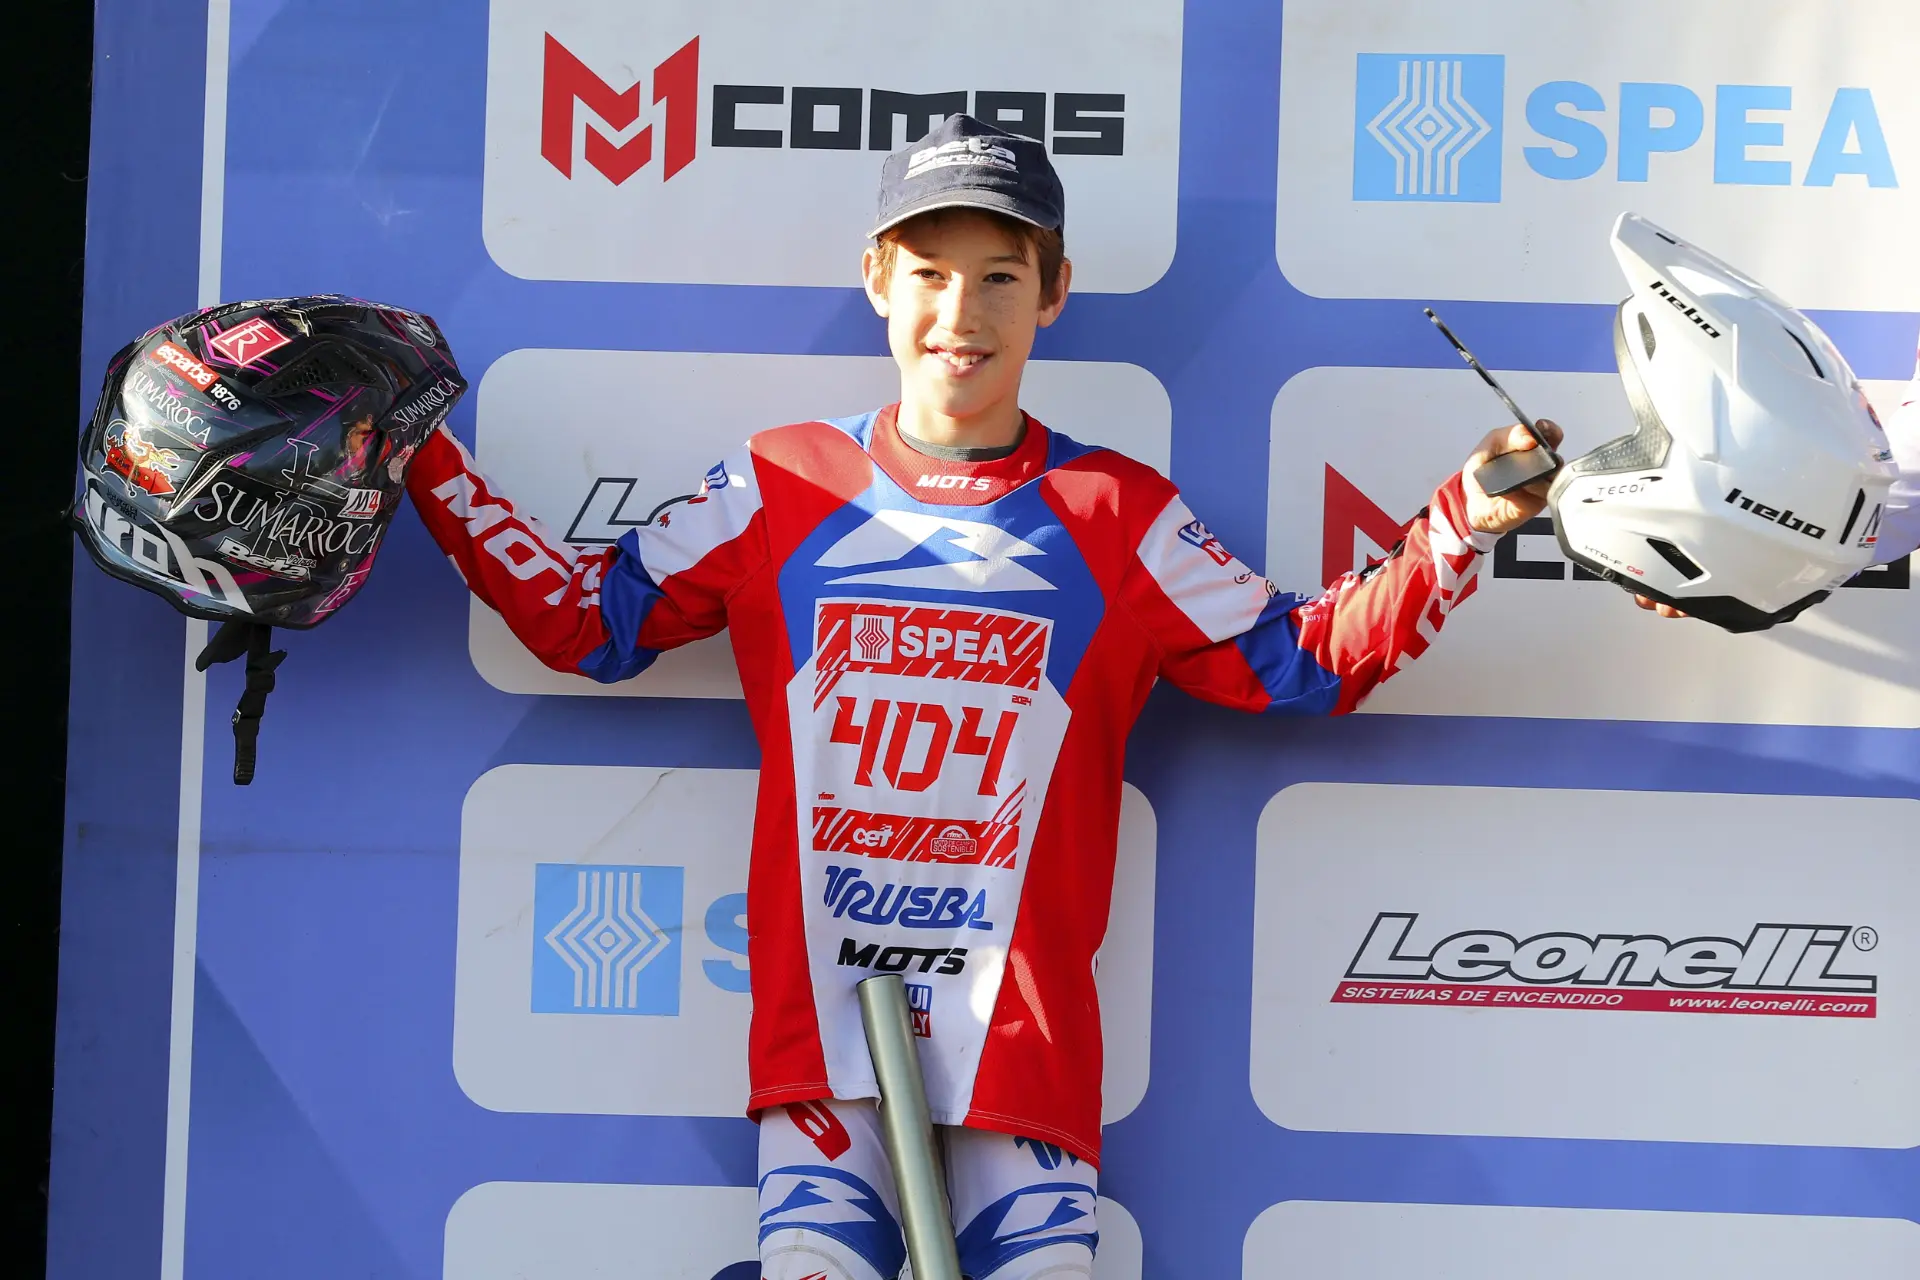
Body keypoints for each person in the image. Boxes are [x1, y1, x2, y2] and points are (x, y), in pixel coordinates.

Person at [403, 115, 1562, 1279]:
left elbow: (1306, 661)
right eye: (929, 272)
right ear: (877, 279)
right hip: (827, 1041)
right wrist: (415, 450)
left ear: (1054, 292)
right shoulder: (775, 483)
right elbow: (583, 621)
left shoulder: (1116, 513)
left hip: (1023, 1051)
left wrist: (1463, 520)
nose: (961, 311)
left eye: (1001, 275)